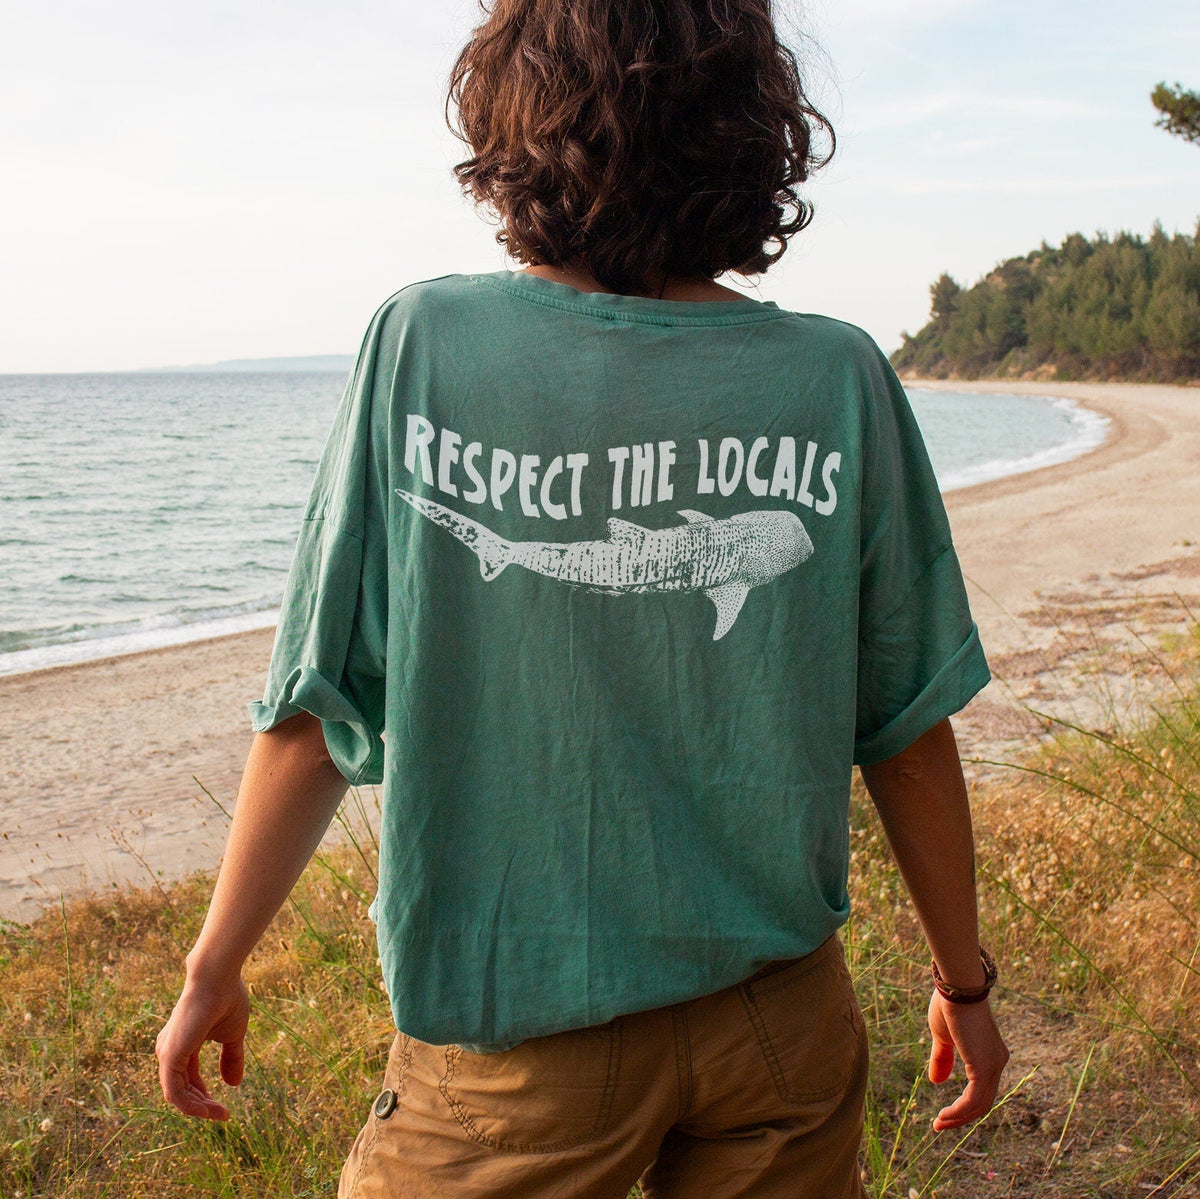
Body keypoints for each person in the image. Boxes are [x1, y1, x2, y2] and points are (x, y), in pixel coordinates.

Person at [155, 1, 1009, 1195]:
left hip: (520, 1039)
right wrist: (962, 982)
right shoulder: (840, 375)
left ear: (515, 116)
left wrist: (216, 960)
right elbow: (909, 732)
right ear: (754, 127)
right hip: (781, 1025)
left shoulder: (426, 343)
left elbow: (318, 702)